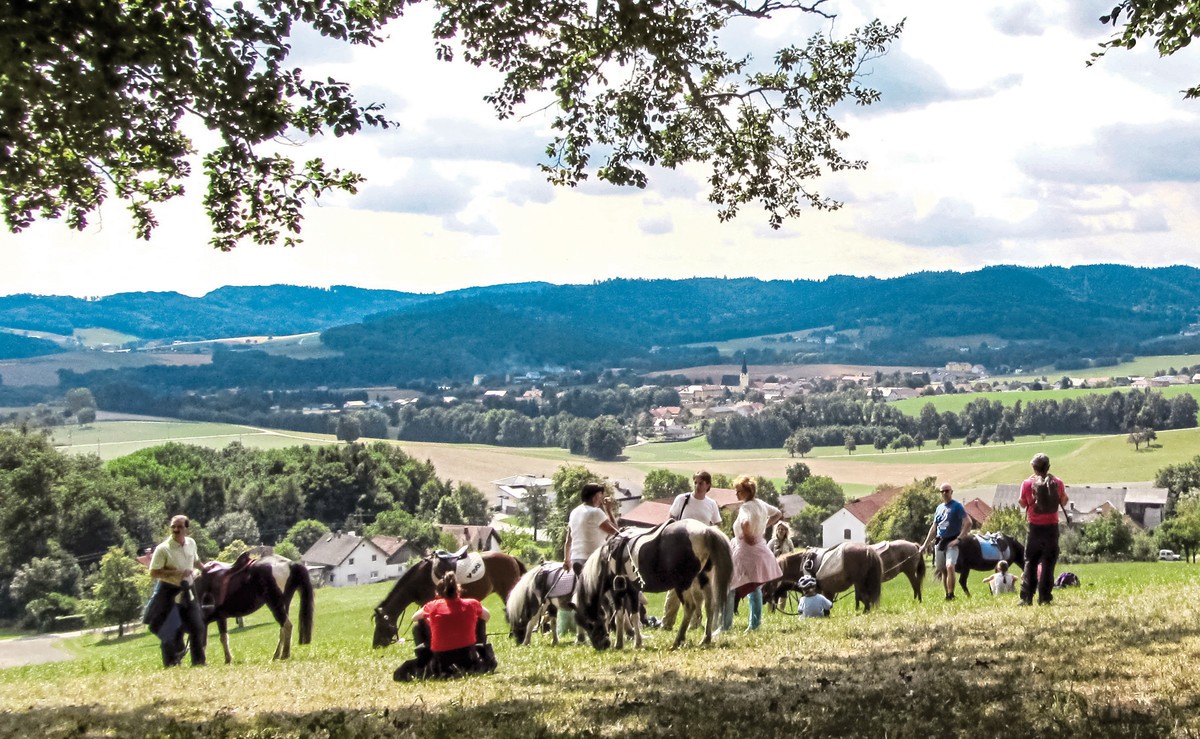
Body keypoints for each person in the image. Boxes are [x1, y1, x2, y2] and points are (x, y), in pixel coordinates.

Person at [393, 572, 496, 681]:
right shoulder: (472, 603)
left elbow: (414, 618)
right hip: (469, 659)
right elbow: (487, 616)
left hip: (442, 663)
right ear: (458, 590)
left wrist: (431, 621)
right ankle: (480, 649)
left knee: (419, 625)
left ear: (438, 593)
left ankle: (425, 656)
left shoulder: (432, 606)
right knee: (480, 620)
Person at [662, 470, 722, 631]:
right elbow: (670, 520)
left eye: (701, 483)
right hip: (680, 550)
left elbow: (717, 525)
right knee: (675, 588)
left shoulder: (711, 504)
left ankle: (695, 624)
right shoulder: (682, 499)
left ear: (708, 485)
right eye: (695, 482)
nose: (697, 486)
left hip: (700, 552)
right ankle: (667, 623)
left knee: (698, 589)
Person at [722, 475, 783, 633]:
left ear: (748, 491)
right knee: (755, 588)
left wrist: (748, 536)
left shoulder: (746, 507)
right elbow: (778, 513)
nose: (737, 495)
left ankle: (725, 626)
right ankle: (754, 625)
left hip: (744, 551)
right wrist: (763, 527)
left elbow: (745, 522)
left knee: (730, 587)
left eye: (739, 491)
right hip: (759, 549)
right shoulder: (761, 504)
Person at [144, 515, 206, 667]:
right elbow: (154, 572)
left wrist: (205, 568)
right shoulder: (163, 549)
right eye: (173, 526)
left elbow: (195, 561)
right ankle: (170, 664)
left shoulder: (191, 543)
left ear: (187, 529)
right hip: (170, 593)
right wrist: (177, 573)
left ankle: (198, 663)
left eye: (179, 527)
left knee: (197, 627)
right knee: (169, 631)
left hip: (189, 590)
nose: (176, 530)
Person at [558, 482, 619, 638]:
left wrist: (566, 559)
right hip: (595, 559)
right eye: (601, 495)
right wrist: (608, 510)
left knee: (588, 594)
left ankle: (583, 631)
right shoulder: (596, 513)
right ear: (595, 496)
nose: (603, 498)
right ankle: (615, 626)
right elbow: (615, 531)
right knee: (611, 593)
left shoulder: (574, 512)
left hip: (577, 559)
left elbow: (568, 539)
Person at [1019, 453, 1069, 606]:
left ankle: (1027, 598)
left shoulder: (1027, 484)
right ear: (1048, 467)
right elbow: (1064, 501)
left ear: (1034, 467)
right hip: (1051, 529)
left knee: (1030, 563)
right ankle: (1045, 598)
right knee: (1048, 563)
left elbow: (1022, 504)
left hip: (1034, 529)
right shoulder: (1058, 482)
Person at [919, 483, 971, 601]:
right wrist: (924, 545)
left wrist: (959, 539)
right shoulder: (939, 508)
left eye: (946, 491)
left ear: (951, 492)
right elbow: (934, 528)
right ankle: (947, 594)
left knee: (950, 566)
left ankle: (951, 595)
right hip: (940, 542)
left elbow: (968, 522)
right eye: (942, 491)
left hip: (952, 541)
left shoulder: (957, 506)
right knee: (942, 569)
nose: (944, 493)